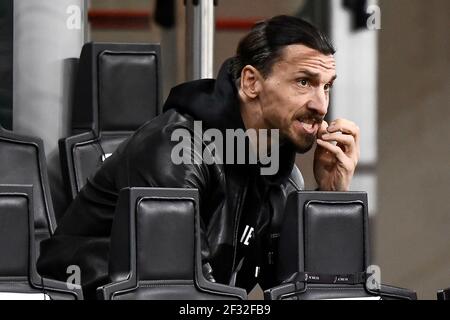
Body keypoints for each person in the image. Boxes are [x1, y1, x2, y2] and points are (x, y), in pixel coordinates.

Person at [37, 15, 360, 299]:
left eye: (327, 86)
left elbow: (298, 288)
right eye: (303, 82)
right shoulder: (175, 153)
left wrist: (329, 198)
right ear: (251, 83)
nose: (321, 104)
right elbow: (177, 292)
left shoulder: (282, 175)